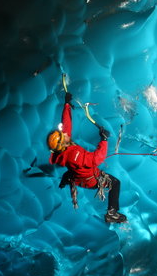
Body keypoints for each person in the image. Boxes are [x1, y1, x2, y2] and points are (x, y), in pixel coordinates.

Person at [47, 91, 127, 224]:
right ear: (62, 142)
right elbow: (97, 159)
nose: (64, 134)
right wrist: (104, 140)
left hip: (75, 174)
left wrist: (66, 105)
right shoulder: (75, 155)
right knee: (115, 183)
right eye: (62, 136)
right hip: (90, 181)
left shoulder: (62, 150)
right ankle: (112, 213)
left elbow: (66, 125)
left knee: (70, 172)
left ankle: (65, 180)